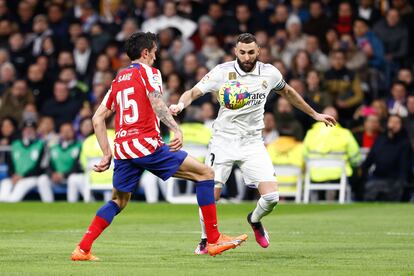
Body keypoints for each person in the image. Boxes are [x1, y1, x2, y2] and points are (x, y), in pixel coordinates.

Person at [71, 32, 247, 261]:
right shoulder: (150, 73)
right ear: (145, 52)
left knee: (118, 200)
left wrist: (107, 153)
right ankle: (213, 239)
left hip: (123, 149)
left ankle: (82, 249)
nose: (155, 57)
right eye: (154, 52)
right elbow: (156, 102)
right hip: (146, 144)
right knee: (206, 174)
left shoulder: (118, 79)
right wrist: (176, 128)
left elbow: (97, 119)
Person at [169, 33, 336, 254]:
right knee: (211, 195)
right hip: (223, 141)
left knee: (271, 198)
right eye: (242, 52)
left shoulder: (270, 73)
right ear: (235, 52)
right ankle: (205, 239)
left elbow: (288, 92)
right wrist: (180, 105)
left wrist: (314, 114)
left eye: (251, 52)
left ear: (258, 51)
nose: (246, 57)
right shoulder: (222, 72)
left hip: (252, 143)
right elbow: (193, 92)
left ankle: (255, 220)